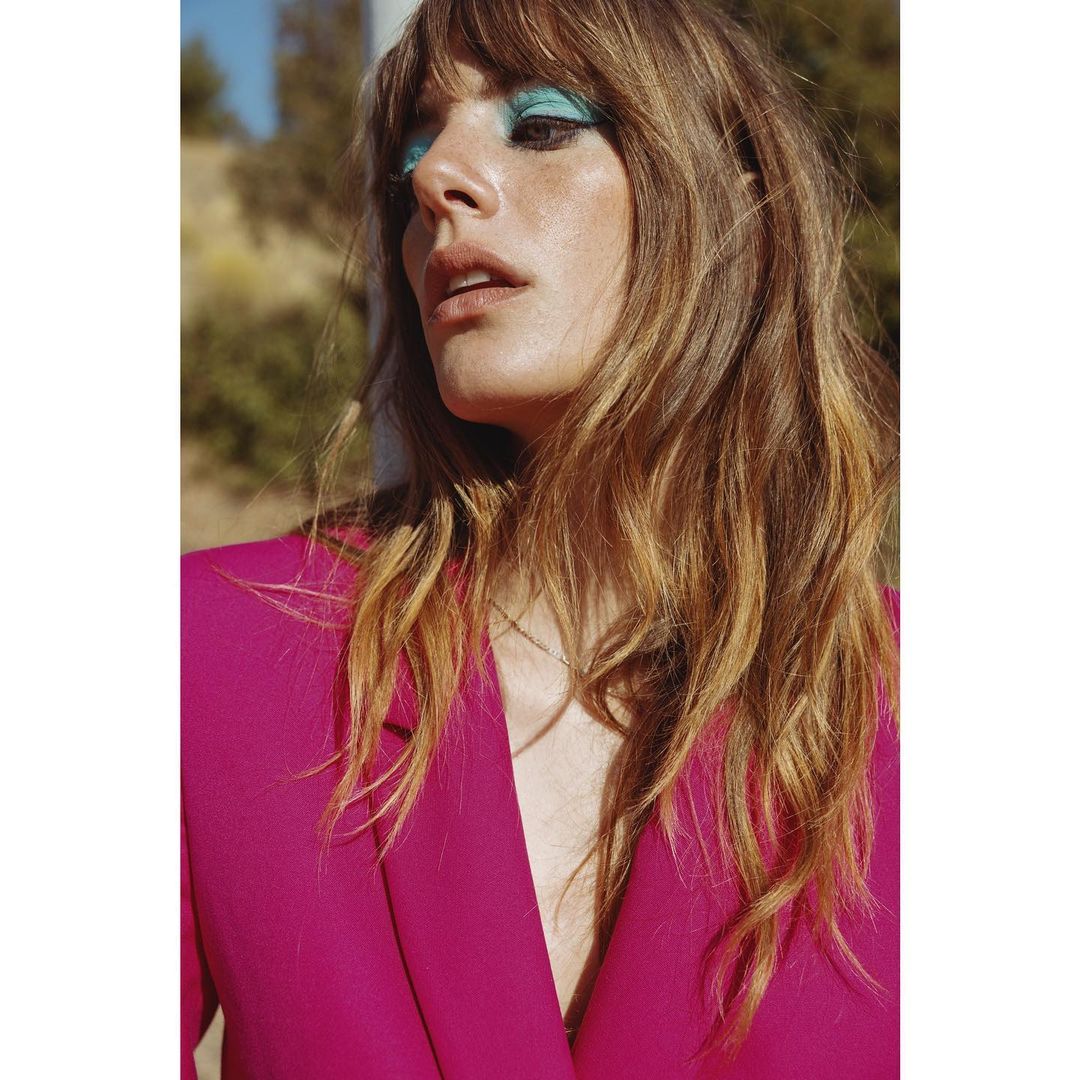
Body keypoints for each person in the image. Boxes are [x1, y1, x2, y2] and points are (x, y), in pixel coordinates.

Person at [181, 0, 900, 1076]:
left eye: (544, 125)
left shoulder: (916, 709)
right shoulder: (210, 655)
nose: (435, 179)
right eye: (412, 157)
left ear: (734, 207)